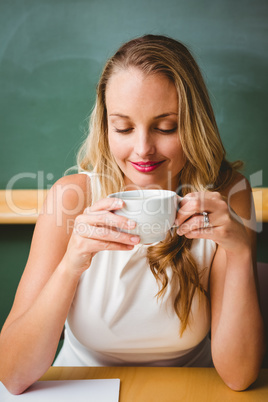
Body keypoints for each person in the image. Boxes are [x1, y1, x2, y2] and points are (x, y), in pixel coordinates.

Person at [0, 34, 265, 394]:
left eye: (166, 126)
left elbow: (238, 376)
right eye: (123, 127)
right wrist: (71, 264)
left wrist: (239, 251)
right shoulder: (71, 197)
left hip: (189, 391)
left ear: (193, 123)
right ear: (106, 125)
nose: (142, 149)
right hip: (78, 389)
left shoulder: (227, 195)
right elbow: (12, 374)